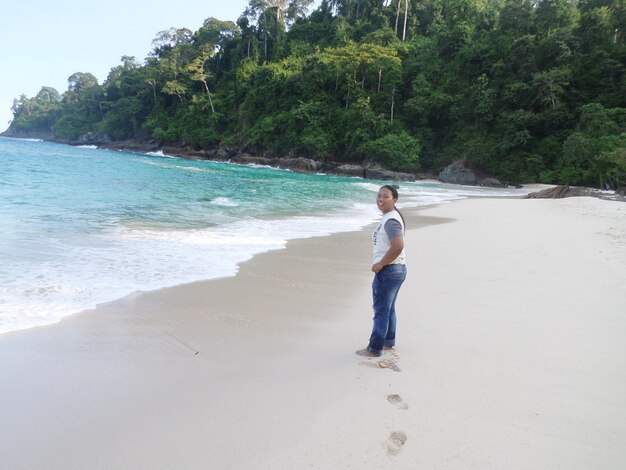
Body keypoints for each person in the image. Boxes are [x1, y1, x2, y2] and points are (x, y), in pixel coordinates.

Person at [356, 185, 407, 357]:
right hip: (397, 269)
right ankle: (388, 342)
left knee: (381, 310)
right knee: (389, 308)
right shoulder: (390, 217)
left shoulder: (391, 220)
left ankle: (374, 348)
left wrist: (380, 264)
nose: (380, 199)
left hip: (389, 270)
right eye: (379, 195)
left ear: (394, 200)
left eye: (386, 196)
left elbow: (398, 246)